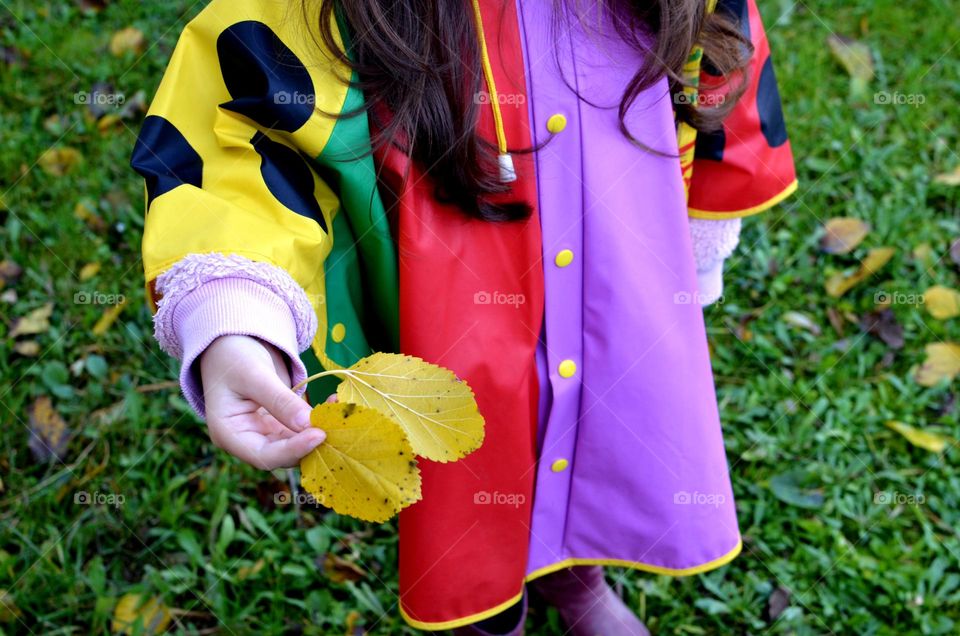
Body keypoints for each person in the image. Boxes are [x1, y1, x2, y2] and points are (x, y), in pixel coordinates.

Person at [131, 0, 796, 633]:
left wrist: (697, 256)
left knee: (601, 424)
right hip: (449, 321)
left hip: (617, 290)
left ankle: (574, 576)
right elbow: (232, 131)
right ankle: (487, 616)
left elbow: (725, 61)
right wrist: (234, 313)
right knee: (473, 471)